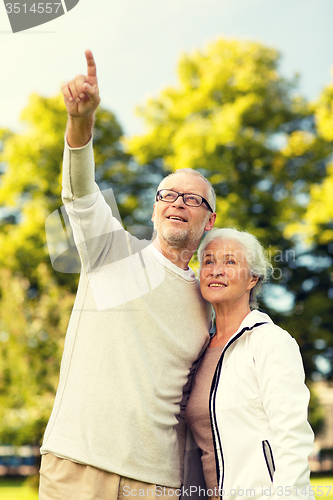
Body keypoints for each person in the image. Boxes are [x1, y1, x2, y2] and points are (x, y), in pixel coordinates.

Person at [38, 50, 216, 499]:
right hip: (79, 465)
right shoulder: (111, 250)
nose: (178, 202)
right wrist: (80, 125)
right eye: (168, 193)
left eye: (192, 199)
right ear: (155, 209)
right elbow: (79, 192)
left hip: (156, 482)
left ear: (209, 220)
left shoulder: (212, 301)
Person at [184, 227, 314, 500]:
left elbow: (293, 438)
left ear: (252, 278)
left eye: (230, 261)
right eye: (208, 261)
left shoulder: (269, 341)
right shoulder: (197, 350)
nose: (216, 270)